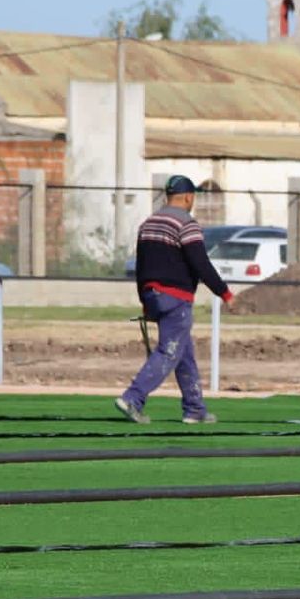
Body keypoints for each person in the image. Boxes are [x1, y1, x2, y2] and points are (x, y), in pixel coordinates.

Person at [115, 175, 234, 425]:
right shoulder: (186, 223)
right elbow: (200, 262)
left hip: (152, 294)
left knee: (183, 352)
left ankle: (194, 408)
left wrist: (146, 301)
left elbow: (141, 266)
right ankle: (133, 398)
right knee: (168, 351)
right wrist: (223, 292)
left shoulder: (149, 223)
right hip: (175, 297)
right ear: (189, 197)